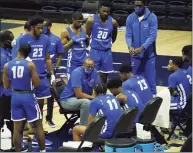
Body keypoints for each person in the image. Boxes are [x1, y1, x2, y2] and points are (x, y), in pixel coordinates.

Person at [18, 15, 54, 145]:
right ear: (32, 27)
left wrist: (52, 73)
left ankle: (37, 128)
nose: (41, 30)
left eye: (42, 28)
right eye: (39, 28)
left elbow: (48, 58)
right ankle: (26, 131)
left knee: (40, 104)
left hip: (42, 77)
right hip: (28, 78)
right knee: (27, 104)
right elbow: (19, 59)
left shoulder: (45, 39)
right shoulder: (23, 39)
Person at [3, 44, 45, 152]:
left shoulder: (7, 65)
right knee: (37, 125)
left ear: (18, 50)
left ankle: (18, 151)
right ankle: (43, 151)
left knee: (17, 128)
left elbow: (6, 85)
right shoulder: (30, 65)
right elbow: (37, 83)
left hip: (15, 96)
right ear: (28, 53)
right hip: (28, 95)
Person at [125, 0, 158, 95]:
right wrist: (129, 46)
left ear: (144, 6)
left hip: (149, 56)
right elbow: (128, 35)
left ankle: (154, 101)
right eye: (136, 5)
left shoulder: (152, 17)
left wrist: (142, 48)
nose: (137, 7)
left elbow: (153, 36)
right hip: (135, 55)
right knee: (135, 81)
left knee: (151, 81)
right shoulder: (130, 18)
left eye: (140, 5)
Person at [59, 58, 100, 126]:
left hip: (83, 98)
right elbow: (79, 95)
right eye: (88, 66)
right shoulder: (77, 73)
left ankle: (95, 125)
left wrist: (97, 97)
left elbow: (97, 87)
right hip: (68, 100)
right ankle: (83, 127)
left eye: (91, 66)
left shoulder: (94, 72)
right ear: (83, 65)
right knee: (87, 103)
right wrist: (93, 98)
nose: (90, 68)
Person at [85, 3, 118, 84]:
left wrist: (106, 44)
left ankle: (102, 93)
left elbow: (114, 37)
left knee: (104, 75)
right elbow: (87, 35)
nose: (105, 13)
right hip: (94, 50)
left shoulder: (113, 22)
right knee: (91, 73)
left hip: (106, 52)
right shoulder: (91, 20)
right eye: (104, 11)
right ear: (99, 9)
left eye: (107, 12)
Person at [42, 20, 64, 127]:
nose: (43, 28)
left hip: (51, 71)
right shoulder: (38, 39)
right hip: (39, 70)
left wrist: (55, 67)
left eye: (45, 26)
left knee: (51, 95)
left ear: (50, 26)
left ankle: (49, 118)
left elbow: (60, 54)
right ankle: (36, 121)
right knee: (38, 97)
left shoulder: (56, 39)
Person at [60, 11, 89, 80]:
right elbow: (61, 48)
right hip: (73, 61)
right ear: (73, 20)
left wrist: (87, 39)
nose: (80, 23)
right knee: (71, 82)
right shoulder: (65, 32)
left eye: (82, 22)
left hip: (84, 60)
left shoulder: (84, 28)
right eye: (78, 22)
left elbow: (86, 45)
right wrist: (71, 41)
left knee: (83, 81)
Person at [0, 30, 14, 145]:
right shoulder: (2, 56)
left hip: (8, 92)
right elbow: (1, 79)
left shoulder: (7, 51)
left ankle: (11, 141)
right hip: (3, 93)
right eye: (12, 40)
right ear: (6, 41)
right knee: (4, 119)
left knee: (9, 118)